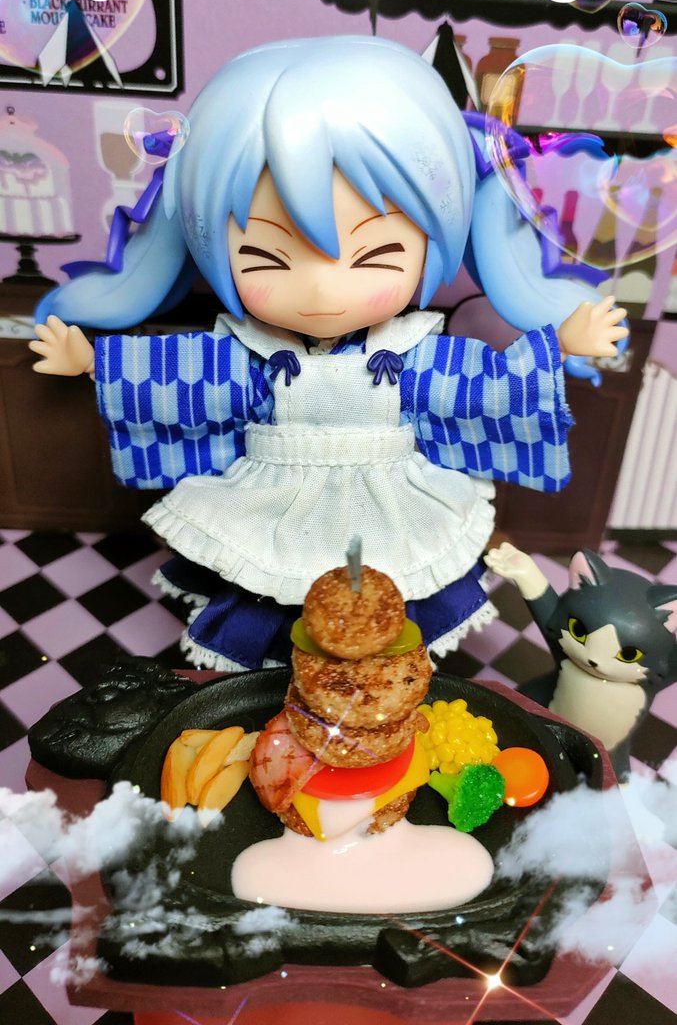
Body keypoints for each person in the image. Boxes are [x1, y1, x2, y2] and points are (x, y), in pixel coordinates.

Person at [30, 35, 628, 671]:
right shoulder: (251, 356)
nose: (320, 288)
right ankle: (278, 684)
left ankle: (378, 687)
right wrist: (95, 363)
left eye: (375, 254)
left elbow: (484, 384)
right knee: (270, 594)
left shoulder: (410, 353)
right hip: (276, 496)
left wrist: (559, 347)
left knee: (389, 604)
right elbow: (185, 380)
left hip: (389, 497)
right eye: (266, 257)